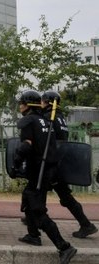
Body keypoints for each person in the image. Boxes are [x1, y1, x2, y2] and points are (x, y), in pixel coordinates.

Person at [12, 90, 76, 264]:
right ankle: (33, 235)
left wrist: (16, 163)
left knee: (38, 211)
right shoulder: (47, 121)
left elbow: (26, 146)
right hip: (46, 170)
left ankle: (64, 247)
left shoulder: (28, 121)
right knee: (27, 197)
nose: (20, 106)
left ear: (27, 105)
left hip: (38, 171)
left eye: (21, 103)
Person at [40, 90, 97, 239]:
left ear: (48, 102)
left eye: (43, 101)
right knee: (61, 195)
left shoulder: (48, 117)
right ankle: (85, 224)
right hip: (60, 161)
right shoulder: (60, 118)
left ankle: (86, 224)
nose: (41, 103)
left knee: (41, 190)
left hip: (52, 162)